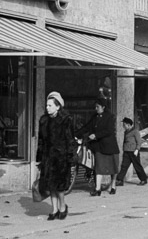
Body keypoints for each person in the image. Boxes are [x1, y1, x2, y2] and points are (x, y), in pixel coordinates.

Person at [37, 91, 74, 220]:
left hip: (61, 158)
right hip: (48, 157)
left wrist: (70, 157)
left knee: (60, 186)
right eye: (47, 105)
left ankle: (62, 207)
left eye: (50, 105)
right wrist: (39, 159)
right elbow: (41, 141)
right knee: (50, 185)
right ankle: (54, 210)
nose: (47, 108)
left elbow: (69, 139)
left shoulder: (65, 120)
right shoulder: (43, 121)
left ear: (58, 107)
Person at [76, 98, 119, 196]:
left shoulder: (110, 117)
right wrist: (76, 134)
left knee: (113, 168)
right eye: (95, 107)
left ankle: (113, 186)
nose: (96, 109)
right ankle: (97, 189)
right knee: (98, 167)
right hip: (99, 146)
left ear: (103, 107)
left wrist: (96, 135)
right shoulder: (94, 117)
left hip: (110, 146)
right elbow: (86, 127)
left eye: (98, 107)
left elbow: (109, 131)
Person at [116, 117, 147, 187]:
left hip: (133, 152)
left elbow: (139, 141)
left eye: (124, 125)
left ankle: (143, 179)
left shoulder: (135, 131)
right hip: (127, 151)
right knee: (124, 166)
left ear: (128, 125)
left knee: (137, 166)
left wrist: (137, 149)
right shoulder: (126, 132)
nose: (123, 126)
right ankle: (120, 180)